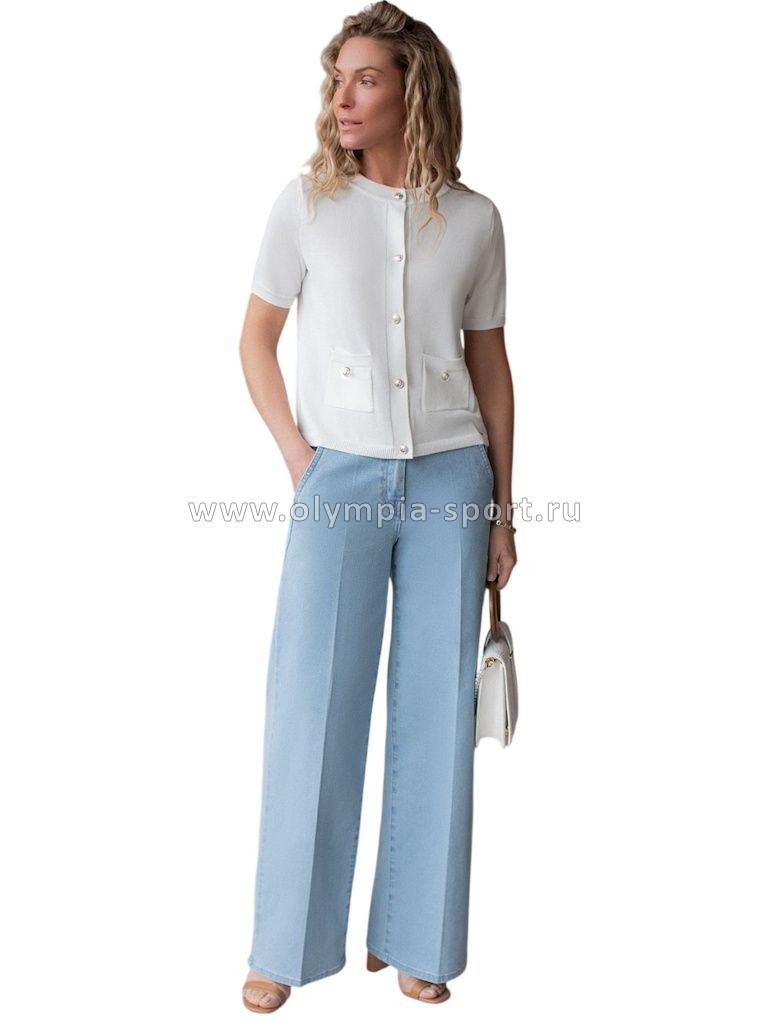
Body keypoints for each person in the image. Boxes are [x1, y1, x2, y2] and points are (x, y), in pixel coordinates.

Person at [238, 2, 516, 1012]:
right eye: (337, 78)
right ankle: (285, 945)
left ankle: (417, 937)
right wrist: (299, 456)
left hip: (452, 478)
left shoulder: (475, 219)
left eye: (364, 78)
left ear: (413, 90)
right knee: (312, 703)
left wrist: (503, 511)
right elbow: (254, 340)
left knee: (438, 713)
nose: (342, 97)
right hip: (339, 478)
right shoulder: (306, 205)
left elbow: (491, 366)